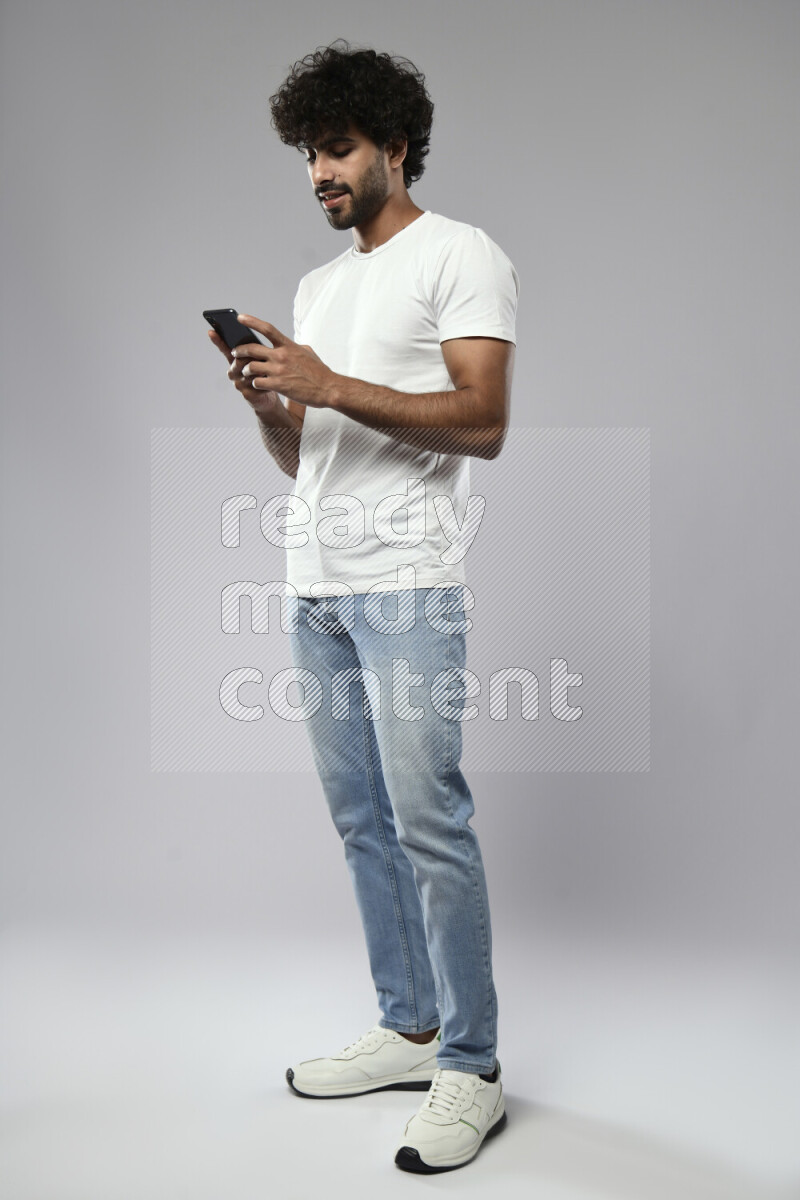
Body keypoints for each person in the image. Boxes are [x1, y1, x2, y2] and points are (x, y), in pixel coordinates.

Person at [207, 39, 519, 1174]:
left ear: (393, 146)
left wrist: (328, 382)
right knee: (362, 823)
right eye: (307, 154)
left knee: (430, 822)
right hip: (317, 587)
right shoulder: (320, 289)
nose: (318, 174)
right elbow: (313, 459)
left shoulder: (461, 254)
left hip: (408, 587)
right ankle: (410, 1027)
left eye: (335, 150)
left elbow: (483, 420)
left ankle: (472, 1066)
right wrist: (272, 404)